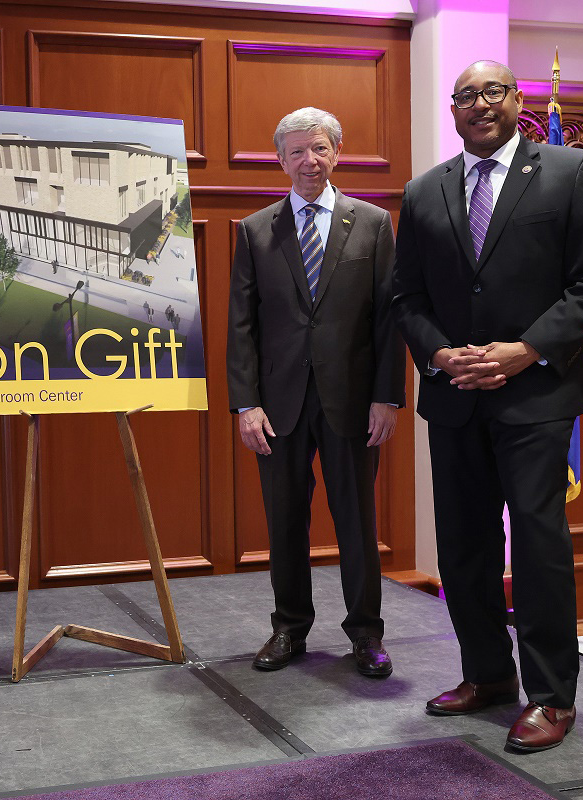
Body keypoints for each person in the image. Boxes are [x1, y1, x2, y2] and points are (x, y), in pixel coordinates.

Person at [392, 61, 583, 752]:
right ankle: (487, 676)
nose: (479, 104)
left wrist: (525, 349)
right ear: (454, 111)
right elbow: (408, 298)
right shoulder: (423, 190)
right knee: (463, 549)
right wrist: (439, 354)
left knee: (539, 547)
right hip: (456, 396)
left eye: (493, 92)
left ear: (518, 101)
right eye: (466, 96)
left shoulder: (571, 171)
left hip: (538, 395)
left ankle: (552, 697)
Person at [227, 107, 404, 677]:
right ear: (281, 160)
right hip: (278, 406)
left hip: (353, 402)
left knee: (357, 521)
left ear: (338, 152)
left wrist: (388, 397)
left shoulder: (373, 224)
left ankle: (367, 635)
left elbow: (387, 321)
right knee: (284, 521)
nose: (310, 161)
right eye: (297, 151)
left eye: (320, 148)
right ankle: (288, 628)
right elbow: (242, 325)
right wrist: (246, 404)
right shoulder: (256, 231)